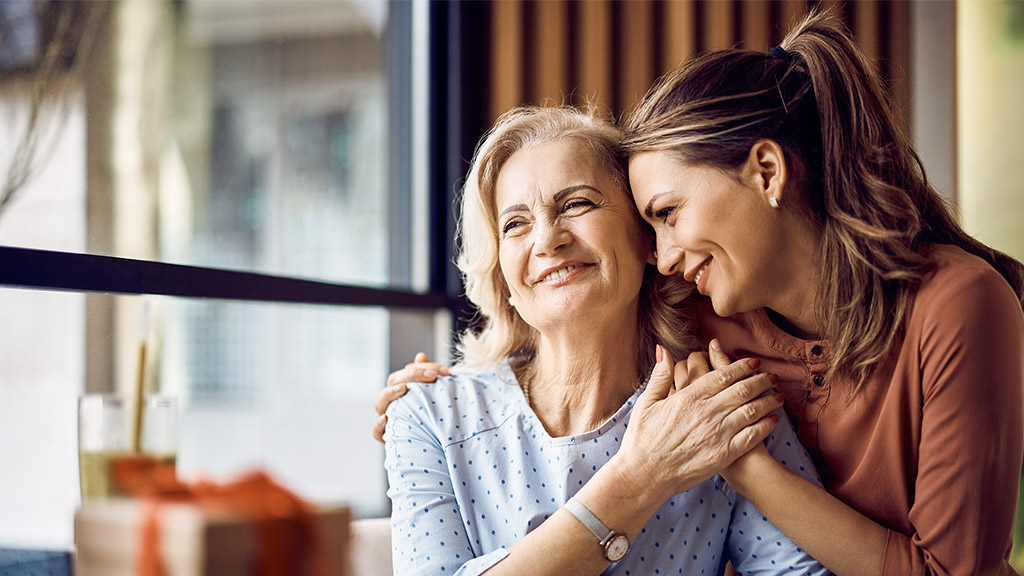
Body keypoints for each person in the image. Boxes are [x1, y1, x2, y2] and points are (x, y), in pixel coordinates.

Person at [378, 10, 1024, 576]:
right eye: (514, 223)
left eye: (664, 214)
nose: (661, 254)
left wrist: (745, 468)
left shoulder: (713, 366)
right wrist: (431, 395)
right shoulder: (703, 315)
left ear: (766, 172)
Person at [383, 105, 829, 575]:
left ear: (647, 240)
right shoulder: (428, 415)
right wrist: (642, 476)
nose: (547, 240)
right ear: (502, 277)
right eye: (515, 224)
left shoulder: (717, 405)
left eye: (577, 204)